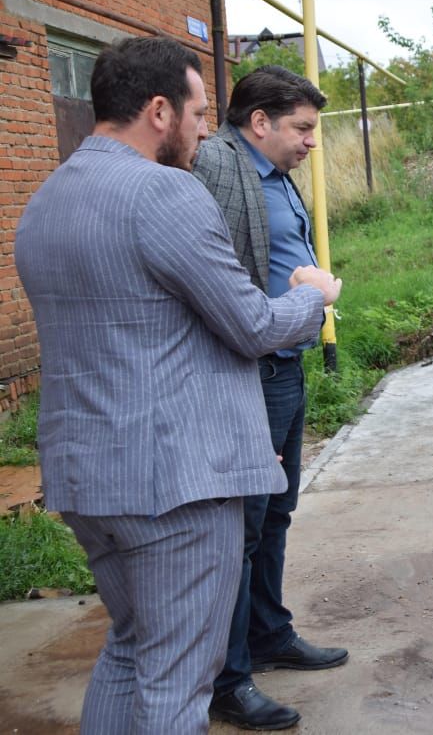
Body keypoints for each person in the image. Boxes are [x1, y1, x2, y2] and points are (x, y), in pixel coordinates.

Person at [14, 36, 340, 733]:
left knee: (131, 652)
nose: (203, 131)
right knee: (176, 682)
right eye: (196, 114)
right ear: (159, 111)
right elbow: (252, 325)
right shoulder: (165, 192)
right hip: (174, 484)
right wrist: (314, 296)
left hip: (87, 474)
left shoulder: (44, 201)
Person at [192, 66, 347, 730]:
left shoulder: (277, 176)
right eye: (302, 128)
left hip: (286, 367)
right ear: (261, 121)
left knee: (276, 514)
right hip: (247, 372)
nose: (311, 142)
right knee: (242, 527)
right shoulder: (221, 173)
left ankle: (268, 634)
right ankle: (229, 679)